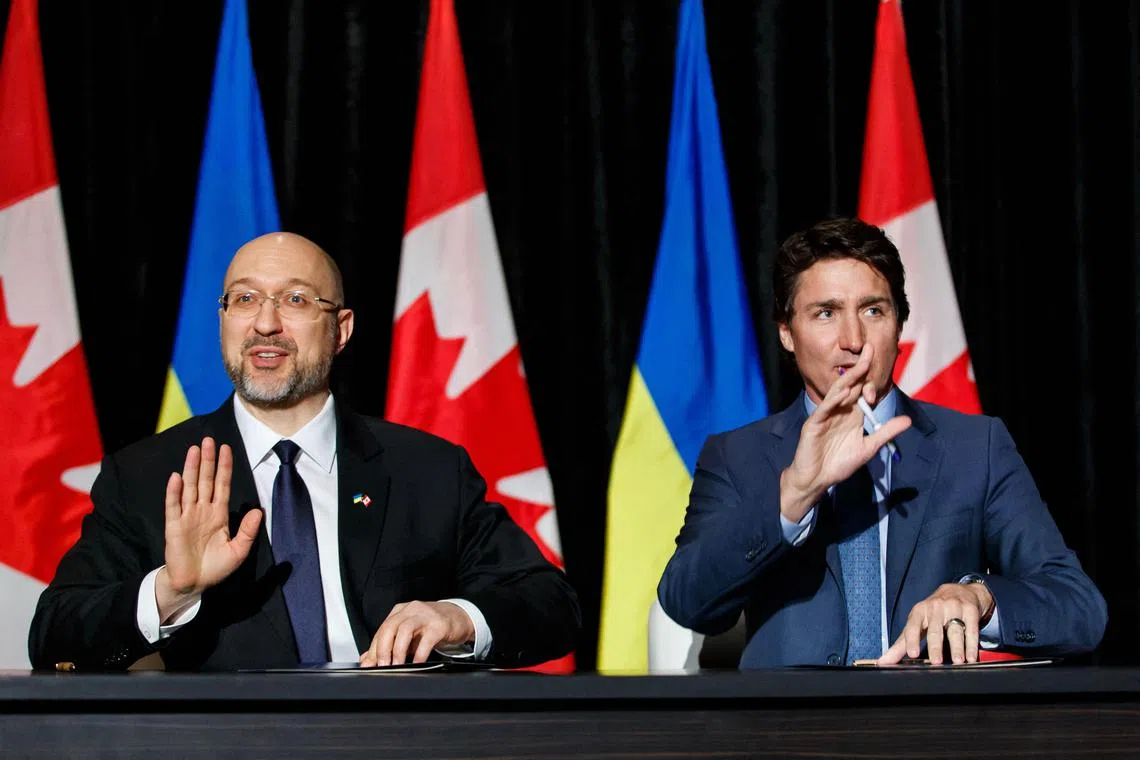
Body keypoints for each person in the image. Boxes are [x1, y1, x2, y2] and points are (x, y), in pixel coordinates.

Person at [29, 232, 580, 671]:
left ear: (340, 330)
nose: (266, 324)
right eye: (244, 299)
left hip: (399, 744)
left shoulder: (427, 469)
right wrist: (169, 592)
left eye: (295, 300)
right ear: (223, 321)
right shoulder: (151, 474)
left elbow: (551, 606)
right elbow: (54, 633)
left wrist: (456, 617)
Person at [657, 217, 1106, 668]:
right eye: (826, 313)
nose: (853, 341)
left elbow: (1080, 610)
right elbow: (686, 602)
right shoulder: (737, 456)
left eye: (873, 311)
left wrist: (978, 597)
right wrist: (793, 495)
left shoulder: (976, 447)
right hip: (787, 729)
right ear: (787, 333)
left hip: (930, 726)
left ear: (899, 325)